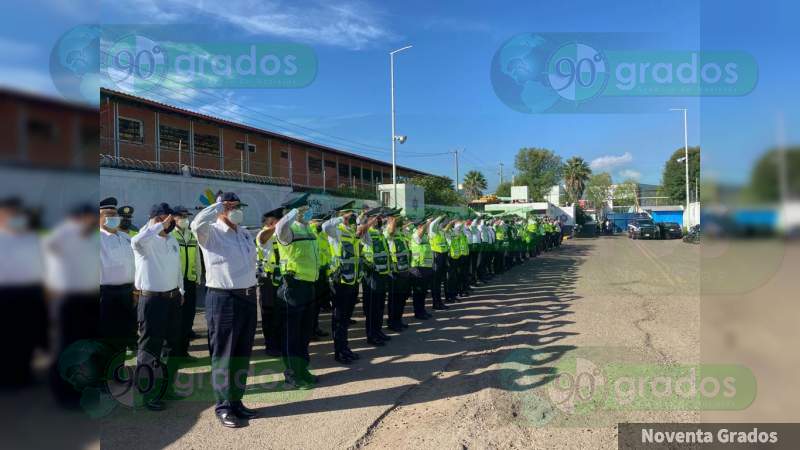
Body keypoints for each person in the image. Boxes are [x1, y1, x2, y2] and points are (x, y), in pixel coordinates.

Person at [191, 192, 266, 428]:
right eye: (230, 206)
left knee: (242, 352)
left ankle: (236, 401)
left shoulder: (243, 232)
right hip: (223, 298)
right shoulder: (209, 232)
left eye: (237, 206)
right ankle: (223, 406)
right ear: (221, 209)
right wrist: (217, 206)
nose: (235, 210)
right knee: (224, 355)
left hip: (247, 296)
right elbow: (196, 223)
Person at [43, 203, 100, 407]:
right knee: (64, 347)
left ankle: (81, 389)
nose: (93, 222)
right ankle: (63, 394)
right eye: (90, 218)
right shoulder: (63, 234)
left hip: (88, 299)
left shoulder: (91, 239)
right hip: (67, 299)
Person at [131, 202, 183, 412]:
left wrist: (182, 291)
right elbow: (136, 240)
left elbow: (177, 268)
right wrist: (155, 225)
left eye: (169, 219)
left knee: (172, 346)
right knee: (150, 348)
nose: (168, 223)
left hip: (172, 298)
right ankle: (147, 393)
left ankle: (166, 388)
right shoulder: (145, 241)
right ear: (154, 219)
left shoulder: (172, 240)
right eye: (163, 219)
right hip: (152, 300)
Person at [273, 201, 321, 388]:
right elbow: (279, 226)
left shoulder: (309, 231)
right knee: (291, 334)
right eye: (304, 210)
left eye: (308, 210)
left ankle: (303, 369)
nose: (307, 213)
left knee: (304, 332)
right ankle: (291, 375)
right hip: (292, 287)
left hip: (309, 286)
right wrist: (293, 211)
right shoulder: (288, 230)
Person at [0, 197, 46, 388]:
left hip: (30, 292)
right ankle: (6, 378)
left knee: (27, 336)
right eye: (10, 213)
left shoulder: (31, 238)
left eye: (17, 213)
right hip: (5, 293)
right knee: (6, 337)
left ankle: (23, 374)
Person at [322, 208, 369, 364]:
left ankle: (345, 348)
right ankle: (339, 351)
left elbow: (364, 244)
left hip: (352, 280)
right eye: (349, 213)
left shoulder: (351, 231)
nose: (351, 216)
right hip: (340, 281)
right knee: (339, 318)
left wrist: (363, 225)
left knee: (346, 319)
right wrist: (342, 219)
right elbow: (325, 226)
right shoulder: (337, 230)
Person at [99, 197, 136, 357]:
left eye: (115, 214)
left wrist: (135, 290)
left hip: (127, 293)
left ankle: (117, 372)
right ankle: (102, 376)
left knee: (123, 336)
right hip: (105, 295)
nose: (113, 218)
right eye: (108, 214)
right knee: (106, 338)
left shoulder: (126, 238)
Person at [170, 205, 203, 359]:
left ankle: (183, 351)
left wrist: (198, 277)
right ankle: (171, 352)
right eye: (181, 216)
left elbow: (197, 257)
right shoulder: (169, 235)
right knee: (174, 319)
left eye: (186, 216)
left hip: (189, 281)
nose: (184, 219)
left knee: (188, 318)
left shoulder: (191, 235)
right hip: (174, 283)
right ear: (173, 217)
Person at [361, 208, 393, 346]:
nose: (378, 220)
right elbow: (361, 230)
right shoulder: (366, 232)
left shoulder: (379, 233)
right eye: (375, 218)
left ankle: (378, 331)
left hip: (382, 273)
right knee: (372, 307)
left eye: (378, 218)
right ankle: (371, 335)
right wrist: (369, 220)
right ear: (369, 219)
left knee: (380, 306)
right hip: (371, 274)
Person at [256, 208, 284, 357]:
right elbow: (262, 239)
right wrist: (276, 227)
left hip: (280, 278)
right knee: (268, 313)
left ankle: (278, 343)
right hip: (267, 279)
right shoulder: (263, 233)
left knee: (279, 314)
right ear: (270, 221)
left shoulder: (278, 234)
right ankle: (270, 345)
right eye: (277, 219)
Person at [385, 213, 411, 332]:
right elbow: (390, 232)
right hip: (395, 271)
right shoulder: (387, 232)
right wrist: (393, 220)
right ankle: (392, 322)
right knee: (394, 299)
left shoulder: (400, 232)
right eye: (394, 218)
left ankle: (398, 320)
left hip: (404, 269)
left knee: (401, 298)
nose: (397, 220)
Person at [308, 214, 332, 340]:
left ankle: (315, 328)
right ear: (311, 221)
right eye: (317, 221)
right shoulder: (310, 233)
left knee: (317, 305)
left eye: (321, 221)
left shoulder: (322, 234)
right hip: (313, 273)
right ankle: (310, 331)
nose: (319, 223)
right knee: (312, 305)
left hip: (323, 272)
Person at [409, 217, 434, 320]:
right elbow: (420, 234)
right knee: (418, 292)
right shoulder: (415, 234)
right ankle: (418, 312)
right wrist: (427, 223)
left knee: (423, 291)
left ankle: (422, 310)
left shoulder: (424, 235)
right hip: (417, 267)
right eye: (423, 225)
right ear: (419, 226)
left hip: (425, 266)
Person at [428, 215, 449, 310]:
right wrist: (440, 217)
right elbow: (432, 224)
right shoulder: (433, 232)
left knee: (439, 282)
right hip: (436, 257)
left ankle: (439, 302)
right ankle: (436, 303)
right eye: (442, 223)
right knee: (435, 283)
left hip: (443, 257)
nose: (443, 224)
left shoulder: (441, 232)